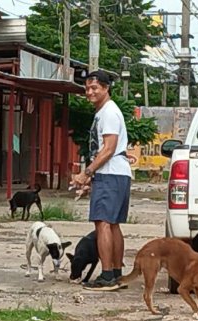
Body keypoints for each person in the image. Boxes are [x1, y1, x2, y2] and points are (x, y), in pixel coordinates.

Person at [72, 70, 132, 291]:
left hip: (111, 172)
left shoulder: (108, 113)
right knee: (112, 223)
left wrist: (86, 173)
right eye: (87, 88)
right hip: (117, 172)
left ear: (106, 88)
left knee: (102, 222)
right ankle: (116, 273)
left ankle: (107, 275)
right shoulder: (106, 112)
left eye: (95, 87)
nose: (90, 92)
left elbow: (108, 149)